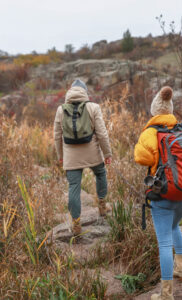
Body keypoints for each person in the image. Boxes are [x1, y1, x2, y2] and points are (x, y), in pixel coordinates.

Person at [134, 86, 182, 300]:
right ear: (171, 110)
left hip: (164, 195)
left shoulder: (150, 133)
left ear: (154, 112)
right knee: (175, 226)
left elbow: (140, 158)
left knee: (164, 243)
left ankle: (166, 294)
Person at [54, 79, 112, 236]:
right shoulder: (93, 107)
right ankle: (102, 206)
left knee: (74, 186)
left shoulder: (60, 110)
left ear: (70, 92)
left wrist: (60, 156)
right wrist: (107, 154)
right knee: (100, 173)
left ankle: (76, 224)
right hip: (92, 152)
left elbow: (57, 136)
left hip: (71, 156)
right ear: (85, 92)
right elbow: (102, 133)